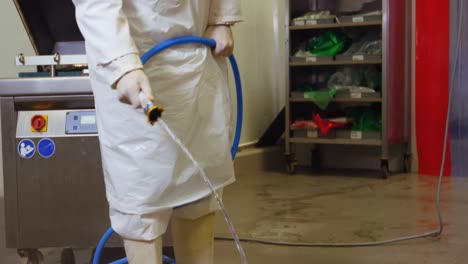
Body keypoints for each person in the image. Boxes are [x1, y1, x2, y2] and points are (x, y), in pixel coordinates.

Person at [71, 1, 242, 263]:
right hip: (135, 59)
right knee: (142, 200)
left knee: (199, 189)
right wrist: (121, 63)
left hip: (197, 54)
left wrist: (221, 19)